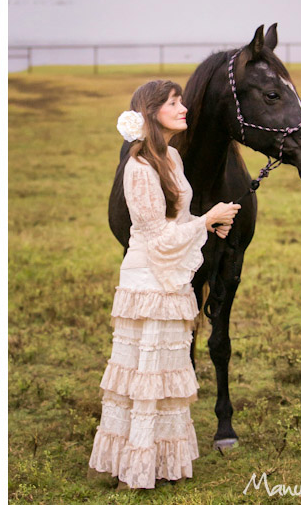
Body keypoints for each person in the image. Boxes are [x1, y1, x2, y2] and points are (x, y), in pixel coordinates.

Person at [88, 80, 239, 489]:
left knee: (167, 371)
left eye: (181, 100)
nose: (183, 107)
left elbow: (175, 224)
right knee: (144, 375)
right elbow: (155, 239)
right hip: (148, 283)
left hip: (170, 279)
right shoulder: (138, 167)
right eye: (173, 102)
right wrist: (205, 220)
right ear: (152, 112)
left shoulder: (171, 156)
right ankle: (131, 471)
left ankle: (160, 463)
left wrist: (209, 224)